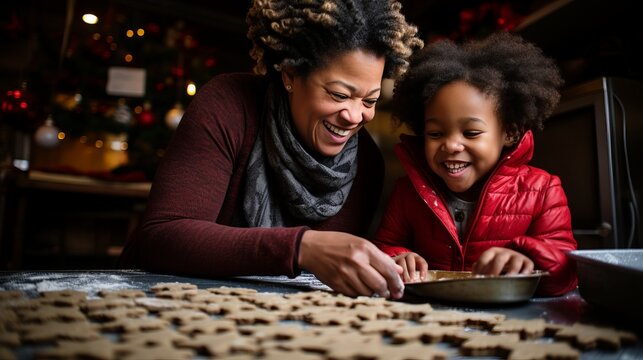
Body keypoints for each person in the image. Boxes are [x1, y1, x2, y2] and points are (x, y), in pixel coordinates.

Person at [118, 0, 423, 299]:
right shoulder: (228, 106)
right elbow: (163, 237)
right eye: (339, 94)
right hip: (166, 302)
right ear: (290, 74)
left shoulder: (366, 163)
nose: (355, 116)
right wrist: (302, 246)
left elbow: (325, 283)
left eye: (369, 101)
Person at [372, 32, 578, 296]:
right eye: (435, 134)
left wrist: (531, 260)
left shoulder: (543, 190)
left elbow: (567, 270)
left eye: (470, 133)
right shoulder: (407, 191)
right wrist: (398, 257)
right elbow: (383, 246)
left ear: (510, 132)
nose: (451, 145)